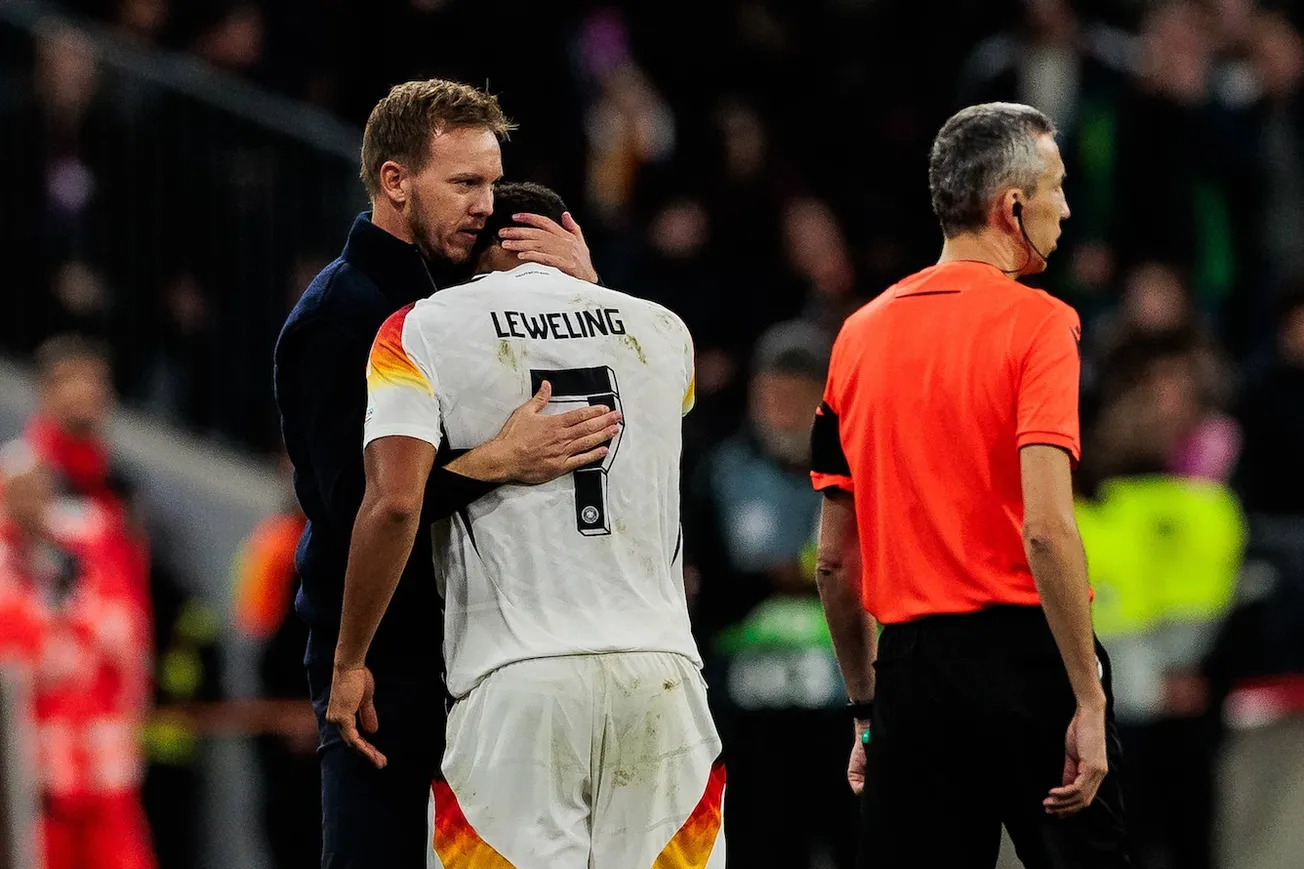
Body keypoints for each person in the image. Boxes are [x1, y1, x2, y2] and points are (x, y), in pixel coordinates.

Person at [273, 79, 619, 869]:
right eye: (465, 183)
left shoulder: (468, 295)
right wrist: (496, 462)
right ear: (396, 182)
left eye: (493, 182)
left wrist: (588, 293)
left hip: (491, 650)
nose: (487, 204)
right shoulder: (338, 317)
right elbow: (354, 505)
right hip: (384, 661)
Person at [327, 182, 725, 868]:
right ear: (568, 229)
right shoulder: (666, 331)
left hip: (515, 684)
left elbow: (394, 504)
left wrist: (348, 658)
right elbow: (647, 390)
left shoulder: (417, 328)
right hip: (662, 681)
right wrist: (596, 290)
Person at [810, 102, 1129, 868]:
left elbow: (833, 560)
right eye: (1055, 186)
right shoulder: (1040, 324)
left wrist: (866, 711)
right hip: (1030, 658)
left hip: (913, 675)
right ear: (1011, 207)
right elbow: (1047, 527)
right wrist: (1087, 698)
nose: (1067, 206)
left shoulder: (857, 335)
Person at [0, 442, 155, 869]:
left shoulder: (86, 543)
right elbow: (21, 653)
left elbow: (124, 630)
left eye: (39, 490)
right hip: (33, 766)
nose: (30, 502)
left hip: (103, 759)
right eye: (19, 491)